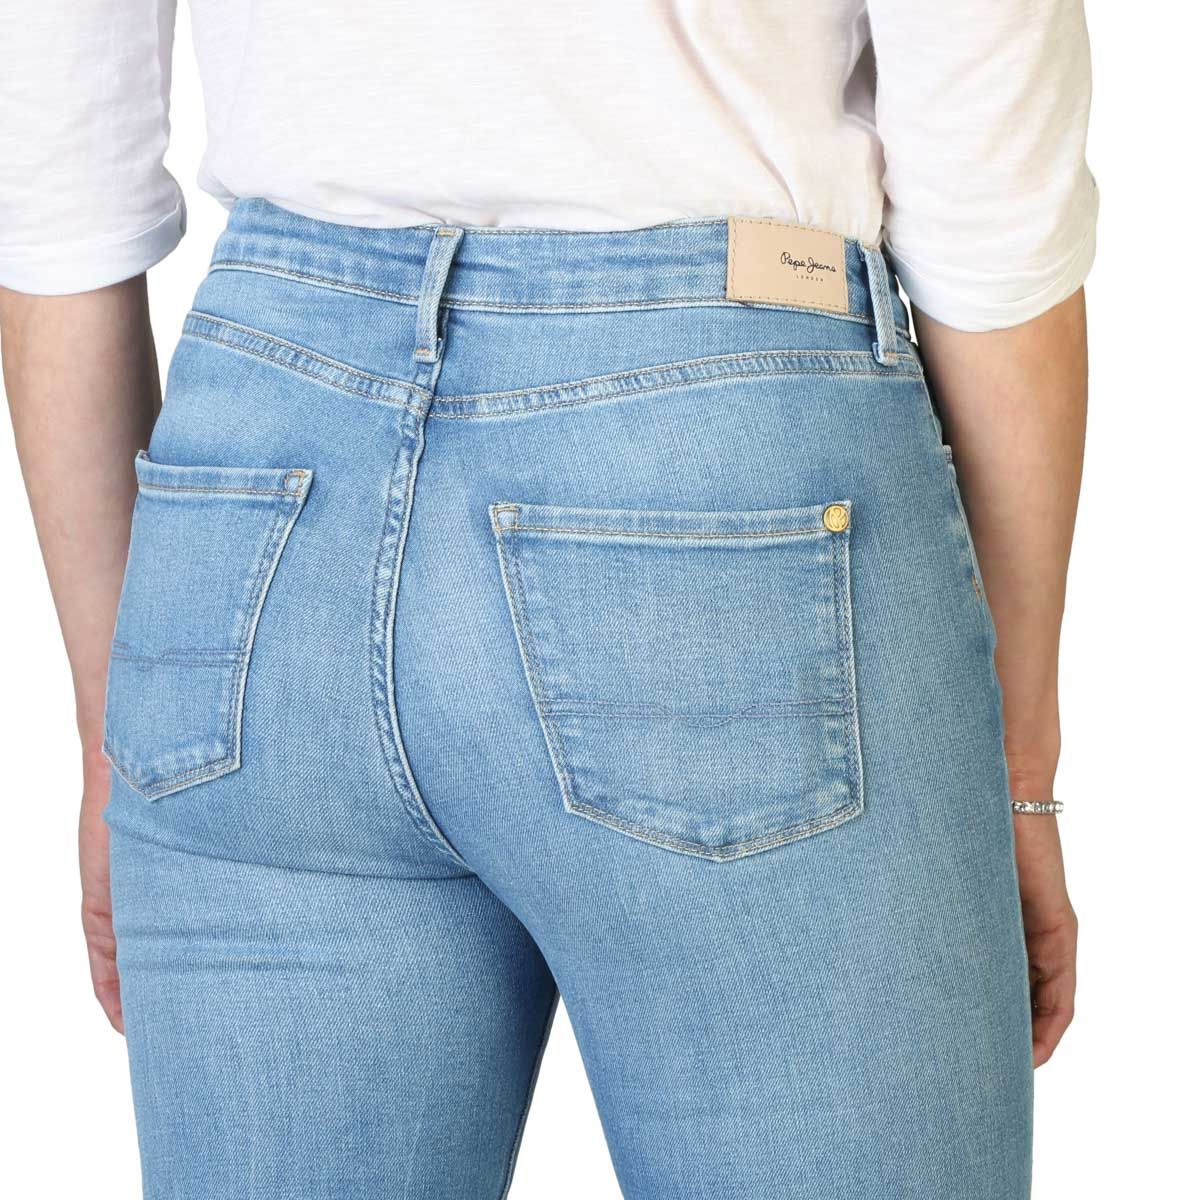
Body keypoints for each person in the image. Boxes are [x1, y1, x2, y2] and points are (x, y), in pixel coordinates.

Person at [0, 3, 1092, 1197]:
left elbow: (57, 197)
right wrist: (1016, 764)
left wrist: (114, 730)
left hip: (260, 495)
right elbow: (993, 204)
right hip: (722, 469)